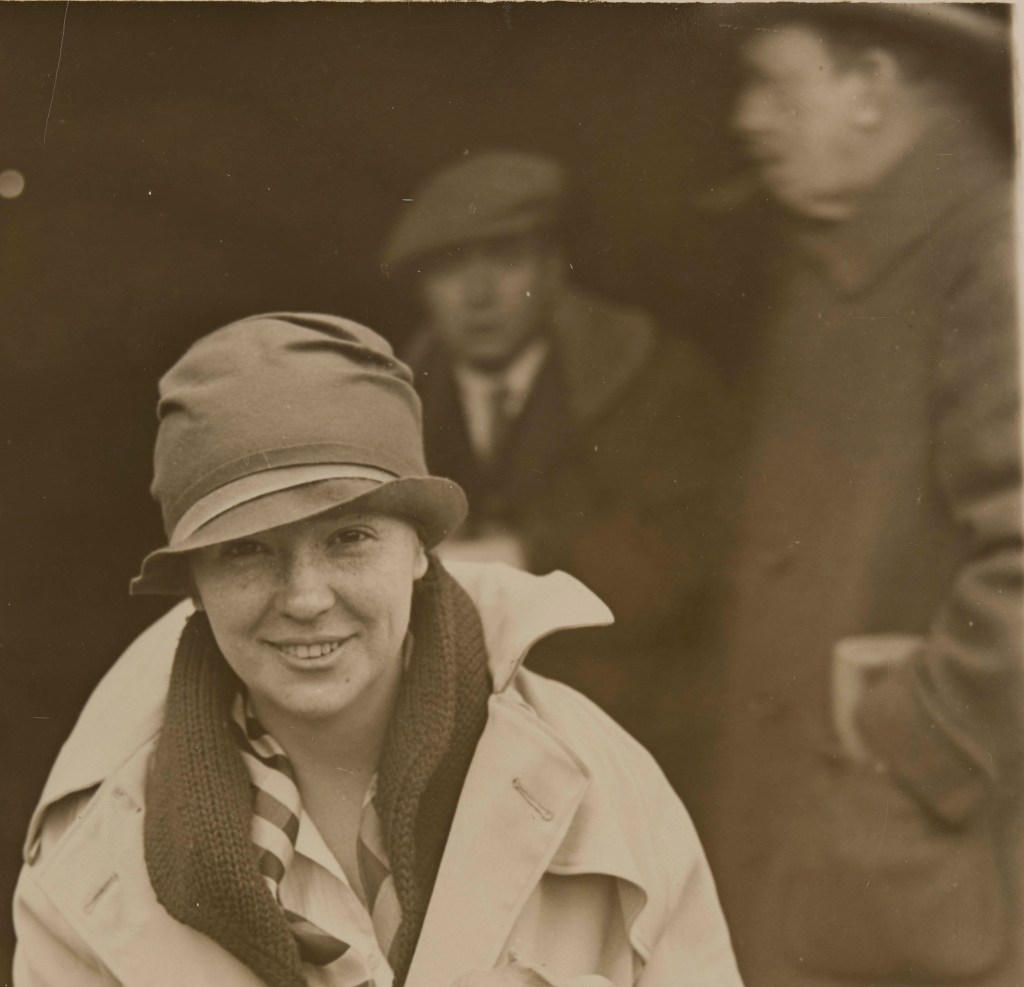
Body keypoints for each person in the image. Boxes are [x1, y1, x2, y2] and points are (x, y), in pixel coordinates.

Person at [12, 313, 743, 987]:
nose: (305, 597)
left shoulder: (599, 781)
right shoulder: (86, 870)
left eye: (349, 538)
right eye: (246, 551)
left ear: (421, 548)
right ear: (194, 586)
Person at [704, 7, 1022, 987]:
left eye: (776, 84)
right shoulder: (840, 256)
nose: (746, 117)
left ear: (873, 85)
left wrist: (915, 739)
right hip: (829, 838)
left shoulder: (993, 253)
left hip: (908, 845)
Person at [381, 152, 731, 811]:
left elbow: (686, 558)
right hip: (450, 751)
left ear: (552, 267)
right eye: (451, 267)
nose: (477, 294)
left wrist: (524, 558)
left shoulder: (657, 380)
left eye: (506, 260)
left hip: (628, 739)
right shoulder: (387, 400)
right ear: (422, 286)